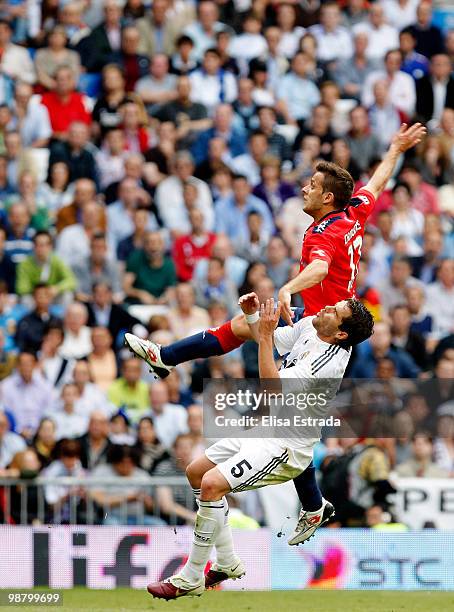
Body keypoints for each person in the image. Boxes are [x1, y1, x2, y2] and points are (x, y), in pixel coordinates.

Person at [124, 124, 425, 380]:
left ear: (328, 197)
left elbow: (320, 268)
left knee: (272, 369)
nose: (305, 190)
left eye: (313, 186)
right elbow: (377, 183)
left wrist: (287, 288)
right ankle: (165, 357)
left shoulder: (324, 232)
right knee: (244, 325)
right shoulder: (353, 210)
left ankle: (169, 359)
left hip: (322, 326)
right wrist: (396, 149)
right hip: (322, 315)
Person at [146, 296, 374, 599]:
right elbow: (268, 339)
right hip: (266, 429)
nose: (326, 307)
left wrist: (264, 333)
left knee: (213, 484)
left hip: (286, 448)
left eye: (335, 311)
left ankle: (190, 576)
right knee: (196, 473)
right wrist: (253, 317)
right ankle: (227, 561)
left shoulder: (326, 363)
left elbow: (272, 388)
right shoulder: (312, 325)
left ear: (341, 334)